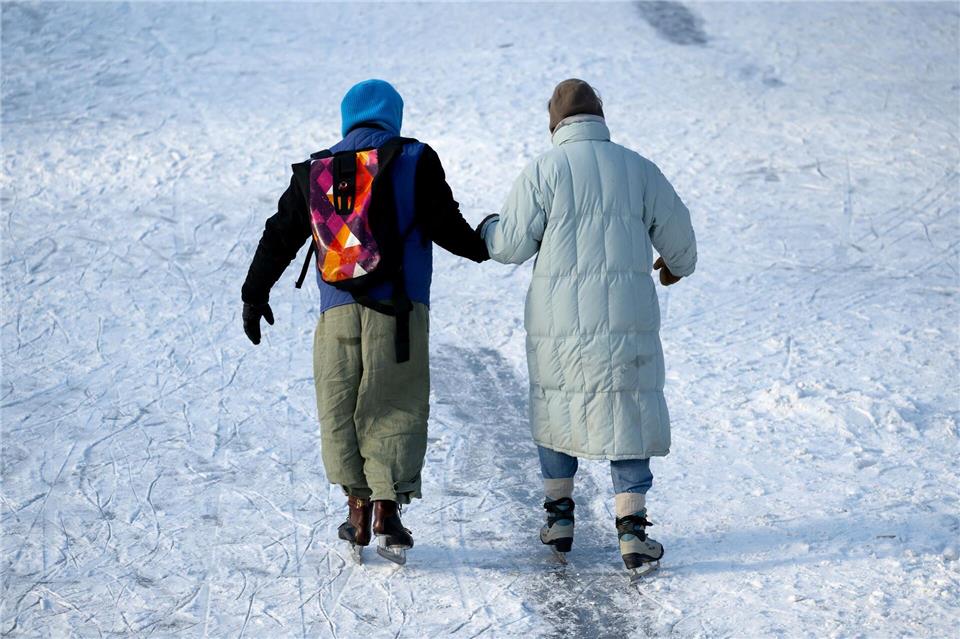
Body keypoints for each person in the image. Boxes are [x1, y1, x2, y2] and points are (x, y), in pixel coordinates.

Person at [241, 79, 488, 564]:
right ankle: (387, 514)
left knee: (341, 406)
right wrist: (484, 246)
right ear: (393, 116)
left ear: (346, 118)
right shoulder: (414, 158)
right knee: (395, 403)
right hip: (400, 310)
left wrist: (254, 294)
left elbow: (279, 234)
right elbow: (447, 225)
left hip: (336, 312)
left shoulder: (318, 170)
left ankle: (356, 511)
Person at [478, 79, 697, 577]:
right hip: (625, 316)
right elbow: (680, 235)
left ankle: (559, 520)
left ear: (555, 124)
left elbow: (509, 246)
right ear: (600, 117)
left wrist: (489, 227)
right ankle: (633, 531)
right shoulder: (638, 169)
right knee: (627, 407)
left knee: (557, 402)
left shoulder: (544, 170)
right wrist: (675, 266)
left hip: (557, 320)